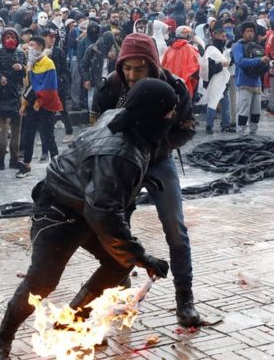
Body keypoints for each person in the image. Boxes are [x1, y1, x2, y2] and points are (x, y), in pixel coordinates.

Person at [0, 78, 174, 360]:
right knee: (42, 281)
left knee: (118, 262)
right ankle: (2, 338)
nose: (172, 118)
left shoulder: (124, 120)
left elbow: (105, 194)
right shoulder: (120, 152)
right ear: (152, 114)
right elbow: (105, 215)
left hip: (91, 203)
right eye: (169, 113)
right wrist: (142, 257)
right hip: (59, 208)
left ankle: (70, 322)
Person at [92, 33, 200, 328]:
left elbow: (187, 128)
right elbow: (97, 130)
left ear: (152, 66)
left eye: (139, 69)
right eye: (127, 68)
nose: (131, 75)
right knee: (115, 229)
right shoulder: (110, 88)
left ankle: (185, 298)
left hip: (158, 160)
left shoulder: (174, 87)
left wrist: (157, 144)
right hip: (121, 165)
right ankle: (124, 294)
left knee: (175, 228)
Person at [16, 36, 63, 179]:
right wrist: (24, 104)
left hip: (46, 105)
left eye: (33, 45)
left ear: (41, 47)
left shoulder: (48, 63)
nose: (29, 48)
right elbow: (28, 86)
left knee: (48, 136)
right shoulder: (30, 64)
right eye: (28, 45)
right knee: (28, 135)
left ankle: (57, 166)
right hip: (32, 105)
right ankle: (26, 165)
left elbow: (50, 87)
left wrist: (40, 102)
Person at [0, 27, 26, 171]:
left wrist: (21, 67)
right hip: (2, 95)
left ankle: (14, 159)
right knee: (2, 132)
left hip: (16, 95)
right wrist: (0, 77)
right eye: (7, 36)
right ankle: (0, 160)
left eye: (13, 37)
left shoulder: (21, 53)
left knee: (16, 131)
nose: (10, 39)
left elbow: (26, 73)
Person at [232, 21, 269, 134]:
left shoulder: (256, 46)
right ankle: (241, 134)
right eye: (247, 31)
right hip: (244, 82)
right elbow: (240, 62)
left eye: (252, 31)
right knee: (243, 111)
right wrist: (259, 60)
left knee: (256, 112)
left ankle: (254, 134)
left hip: (257, 83)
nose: (250, 34)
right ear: (242, 33)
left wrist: (267, 64)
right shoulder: (237, 45)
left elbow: (261, 64)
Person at [198, 27, 233, 134]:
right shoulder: (210, 50)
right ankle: (209, 126)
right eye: (222, 36)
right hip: (214, 82)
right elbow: (207, 68)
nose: (224, 38)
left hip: (223, 81)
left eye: (225, 36)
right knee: (213, 103)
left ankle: (226, 125)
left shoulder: (224, 49)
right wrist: (220, 65)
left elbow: (229, 62)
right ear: (216, 35)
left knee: (226, 104)